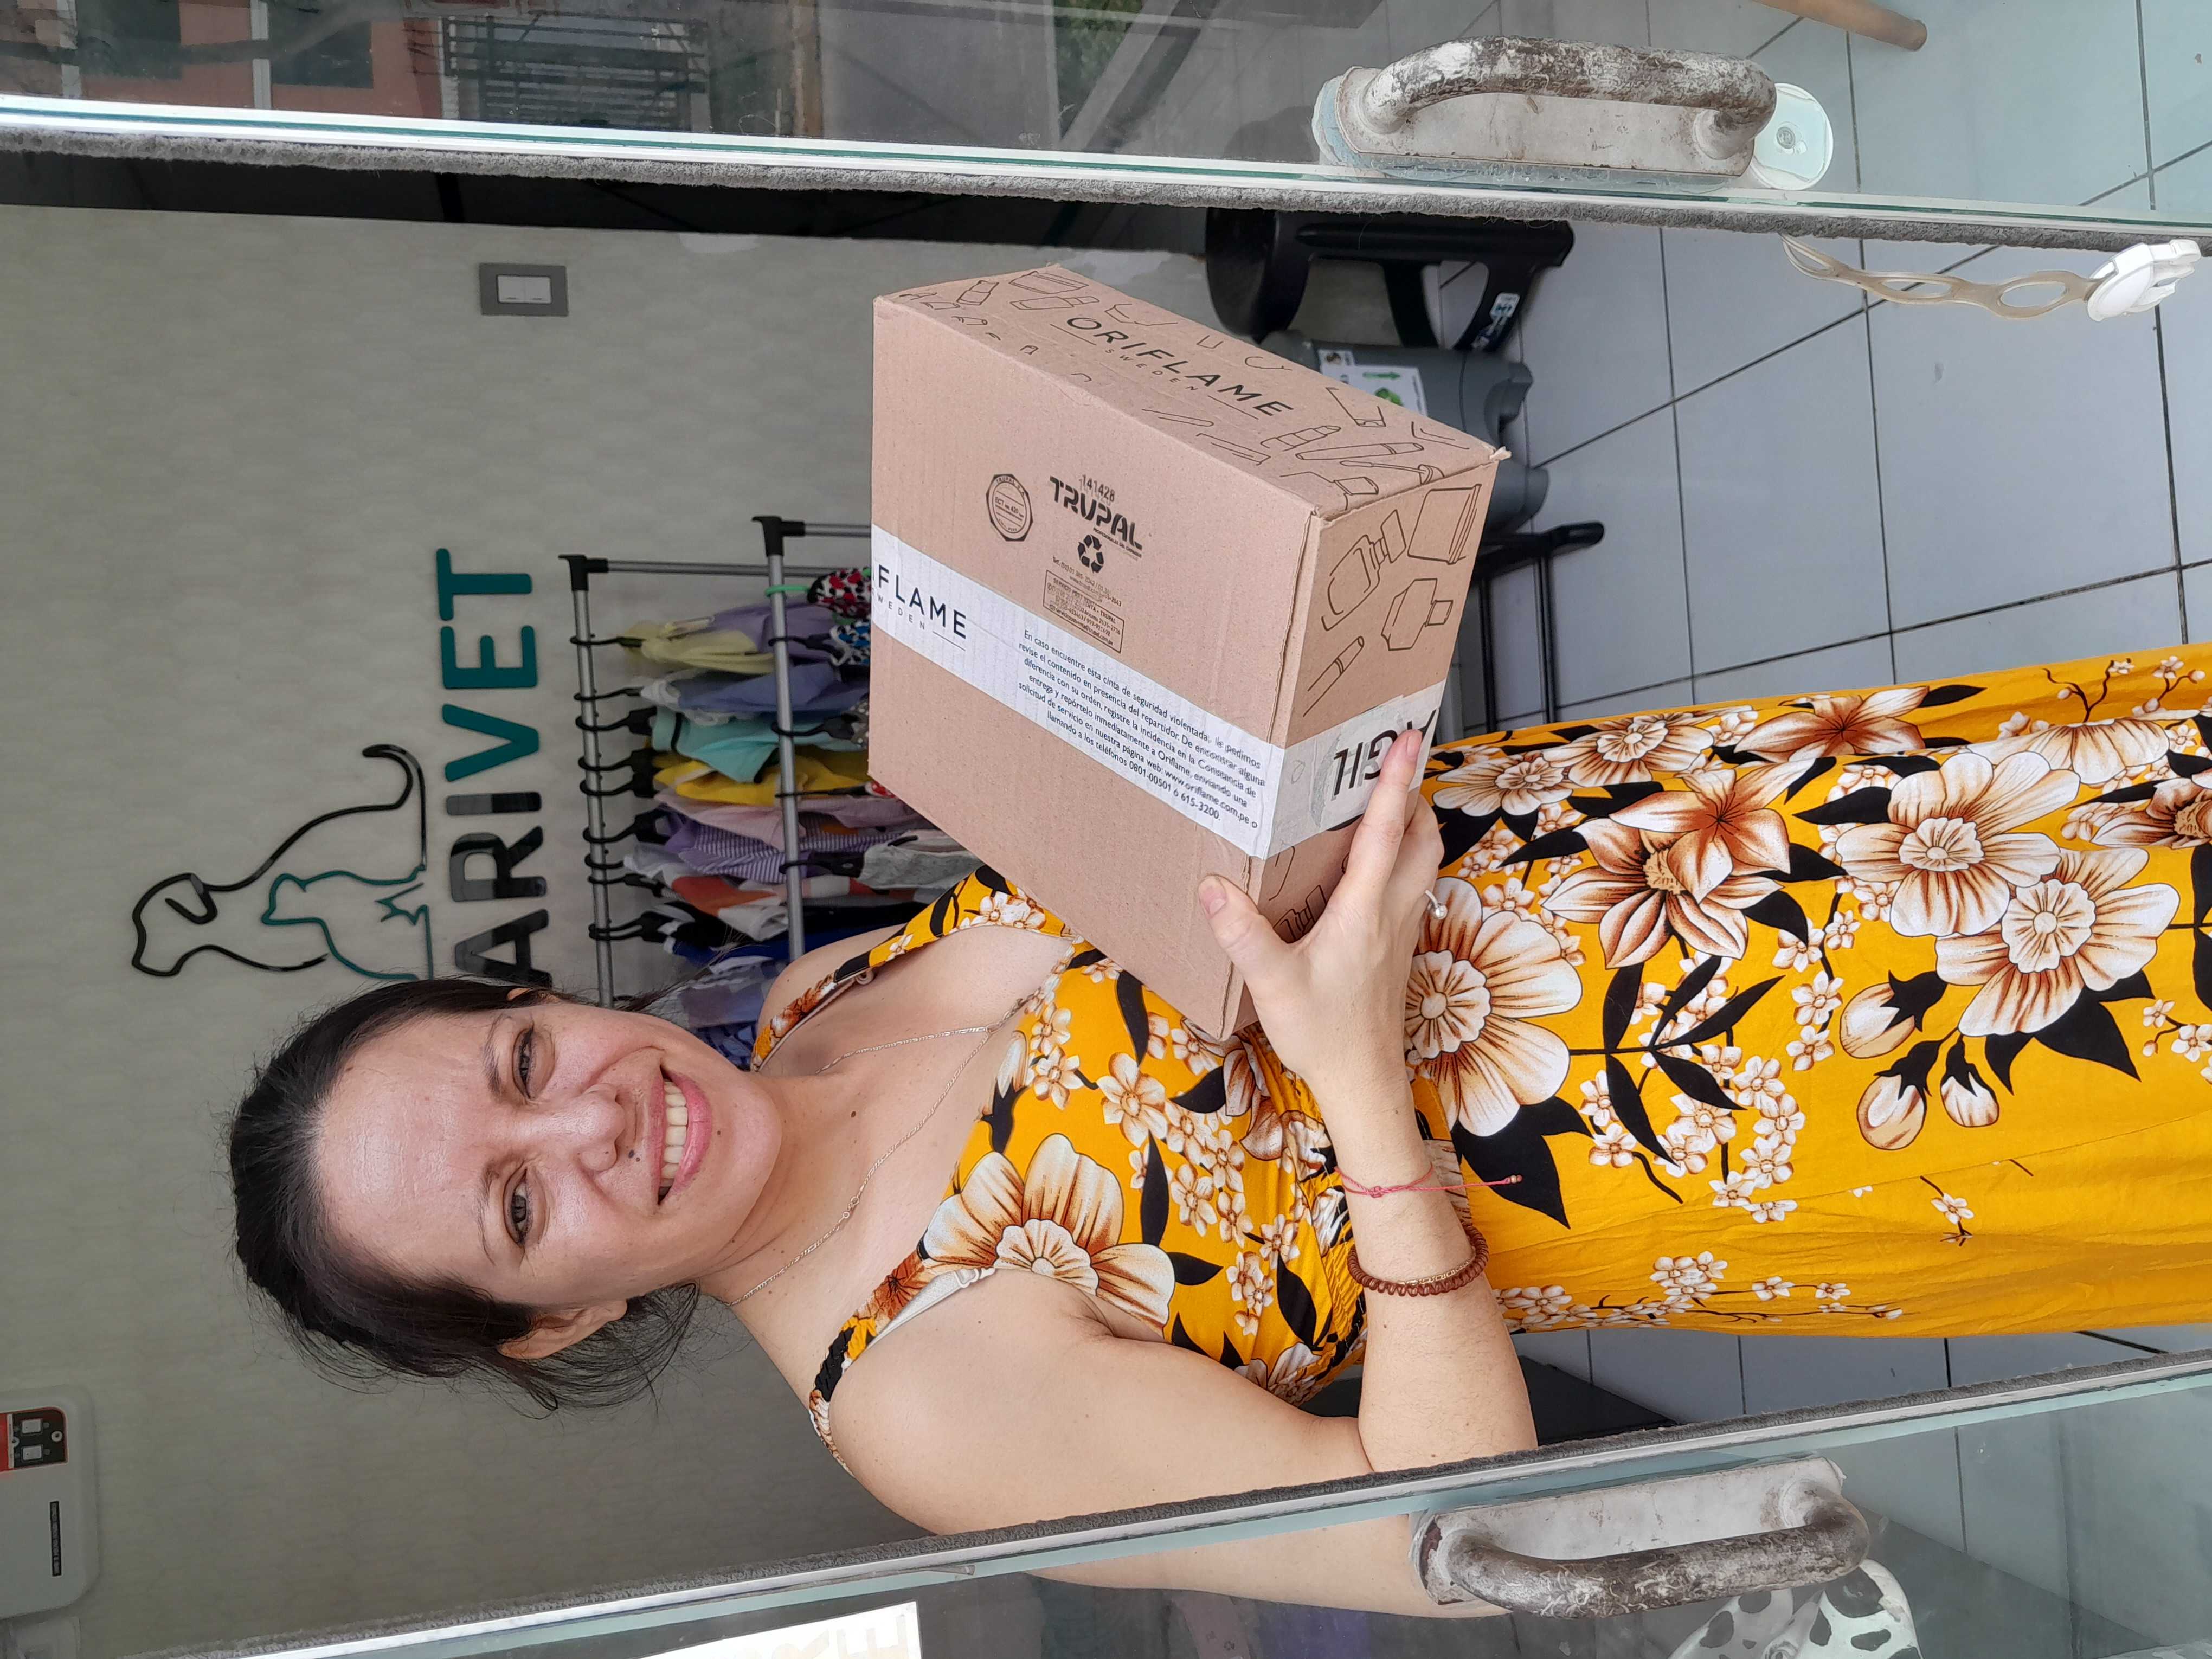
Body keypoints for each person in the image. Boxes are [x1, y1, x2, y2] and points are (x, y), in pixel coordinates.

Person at [230, 646, 2212, 1617]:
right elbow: (1458, 1526)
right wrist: (1354, 1081)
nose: (591, 1117)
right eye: (518, 1207)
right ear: (557, 1324)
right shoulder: (922, 1401)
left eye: (519, 1062)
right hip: (1815, 1081)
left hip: (1734, 815)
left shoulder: (817, 995)